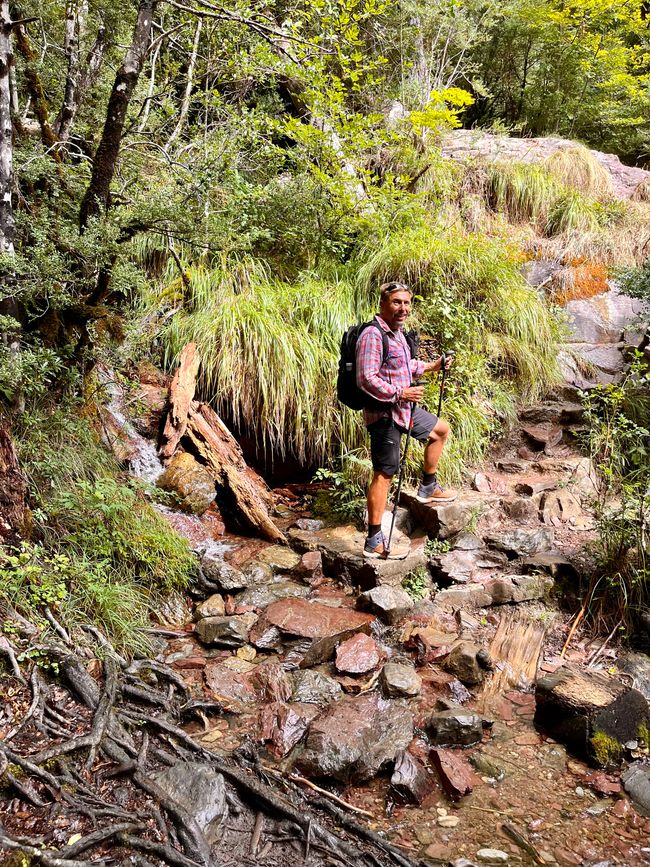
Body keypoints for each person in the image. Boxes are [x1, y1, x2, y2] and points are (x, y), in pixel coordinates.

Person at [356, 281, 456, 558]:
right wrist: (401, 392)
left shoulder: (396, 334)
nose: (403, 308)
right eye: (397, 302)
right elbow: (366, 378)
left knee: (439, 431)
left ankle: (428, 486)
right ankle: (374, 540)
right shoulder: (372, 335)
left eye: (407, 303)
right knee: (384, 473)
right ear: (383, 304)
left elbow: (405, 365)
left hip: (404, 410)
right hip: (384, 414)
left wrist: (433, 366)